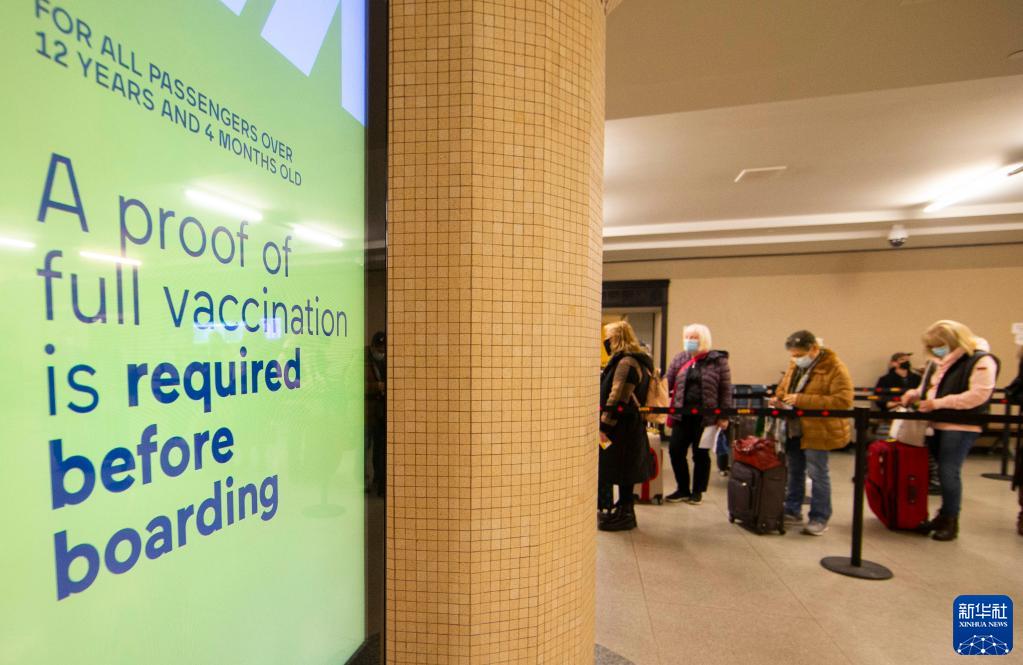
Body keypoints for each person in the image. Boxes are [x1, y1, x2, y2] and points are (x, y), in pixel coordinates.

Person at [900, 320, 999, 542]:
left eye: (939, 345)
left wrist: (937, 404)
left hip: (961, 425)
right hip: (936, 423)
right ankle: (943, 515)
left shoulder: (981, 360)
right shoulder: (939, 363)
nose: (936, 349)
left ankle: (950, 520)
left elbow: (978, 395)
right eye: (932, 346)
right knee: (941, 471)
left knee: (948, 472)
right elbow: (930, 388)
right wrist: (914, 394)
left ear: (954, 341)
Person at [772, 330, 853, 536]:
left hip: (819, 430)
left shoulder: (834, 367)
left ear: (814, 349)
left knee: (818, 473)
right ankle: (792, 509)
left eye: (799, 355)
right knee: (794, 470)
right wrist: (778, 399)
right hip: (794, 428)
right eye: (793, 355)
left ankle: (819, 517)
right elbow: (783, 389)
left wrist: (801, 400)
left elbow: (843, 401)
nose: (796, 358)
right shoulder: (795, 365)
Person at [664, 324, 731, 505]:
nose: (689, 341)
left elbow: (725, 390)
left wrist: (724, 416)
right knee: (675, 451)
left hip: (706, 417)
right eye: (687, 337)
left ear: (703, 339)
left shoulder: (718, 361)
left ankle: (697, 491)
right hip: (681, 415)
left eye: (694, 338)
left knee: (700, 454)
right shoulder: (680, 358)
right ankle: (682, 489)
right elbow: (667, 382)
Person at [599, 321, 654, 532]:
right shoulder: (636, 360)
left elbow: (617, 396)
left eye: (609, 338)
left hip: (622, 428)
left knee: (622, 469)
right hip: (629, 425)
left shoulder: (626, 363)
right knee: (624, 470)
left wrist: (604, 425)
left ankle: (626, 514)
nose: (606, 342)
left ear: (617, 338)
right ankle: (623, 508)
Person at [365, 331, 387, 497]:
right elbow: (353, 385)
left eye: (383, 350)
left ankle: (379, 480)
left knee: (380, 449)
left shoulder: (386, 360)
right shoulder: (361, 361)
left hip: (380, 413)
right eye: (379, 349)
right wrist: (376, 387)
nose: (381, 353)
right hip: (366, 412)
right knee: (364, 448)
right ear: (372, 347)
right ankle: (364, 481)